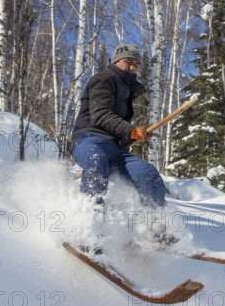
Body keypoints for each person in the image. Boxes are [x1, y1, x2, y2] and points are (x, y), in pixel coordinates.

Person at [71, 44, 167, 211]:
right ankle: (88, 222)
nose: (133, 67)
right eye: (128, 62)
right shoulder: (103, 79)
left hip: (116, 149)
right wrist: (131, 130)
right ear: (115, 62)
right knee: (96, 161)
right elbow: (101, 115)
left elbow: (117, 128)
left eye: (136, 64)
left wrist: (134, 135)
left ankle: (155, 226)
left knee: (148, 174)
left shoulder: (128, 90)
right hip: (89, 140)